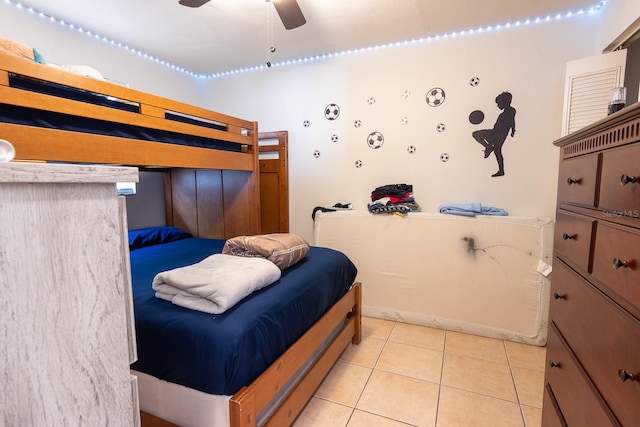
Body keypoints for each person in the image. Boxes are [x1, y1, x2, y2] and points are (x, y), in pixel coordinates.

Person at [472, 91, 516, 177]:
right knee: (496, 150)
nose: (497, 105)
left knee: (477, 135)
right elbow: (511, 121)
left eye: (499, 103)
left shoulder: (510, 111)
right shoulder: (506, 112)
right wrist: (512, 130)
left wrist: (513, 129)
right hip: (496, 132)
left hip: (499, 134)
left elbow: (512, 121)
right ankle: (489, 148)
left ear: (504, 102)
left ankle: (489, 147)